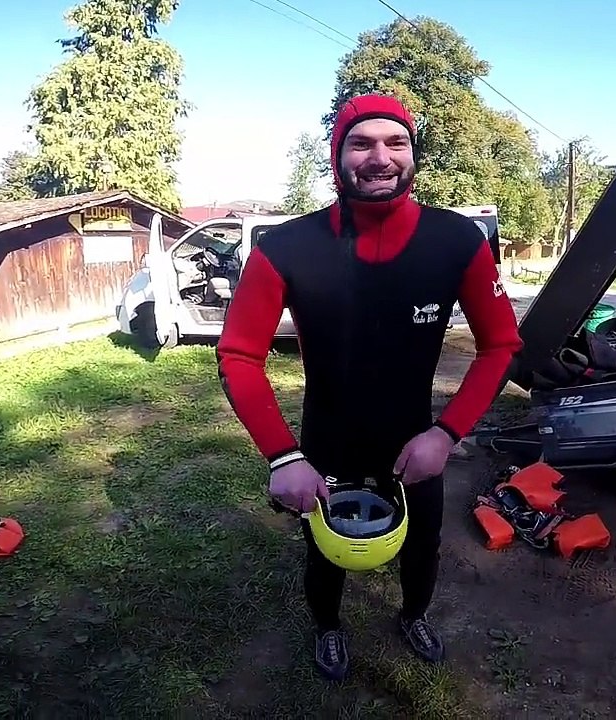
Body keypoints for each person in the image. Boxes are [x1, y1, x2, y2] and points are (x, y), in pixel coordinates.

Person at [215, 93, 523, 682]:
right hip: (326, 441)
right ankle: (328, 627)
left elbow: (501, 346)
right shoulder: (286, 247)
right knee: (324, 550)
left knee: (424, 541)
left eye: (395, 142)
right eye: (361, 143)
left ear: (412, 154)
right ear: (337, 155)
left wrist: (446, 433)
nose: (380, 157)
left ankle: (414, 616)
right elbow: (239, 356)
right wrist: (284, 457)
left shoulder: (457, 241)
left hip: (417, 440)